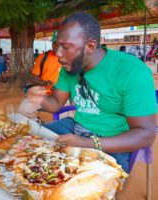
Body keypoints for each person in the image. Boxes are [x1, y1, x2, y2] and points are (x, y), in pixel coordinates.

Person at [25, 12, 156, 173]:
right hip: (75, 127)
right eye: (58, 46)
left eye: (66, 47)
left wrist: (87, 143)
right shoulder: (70, 67)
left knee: (78, 186)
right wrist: (39, 97)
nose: (58, 54)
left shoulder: (131, 71)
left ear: (90, 46)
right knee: (29, 147)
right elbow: (56, 103)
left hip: (112, 141)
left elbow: (146, 134)